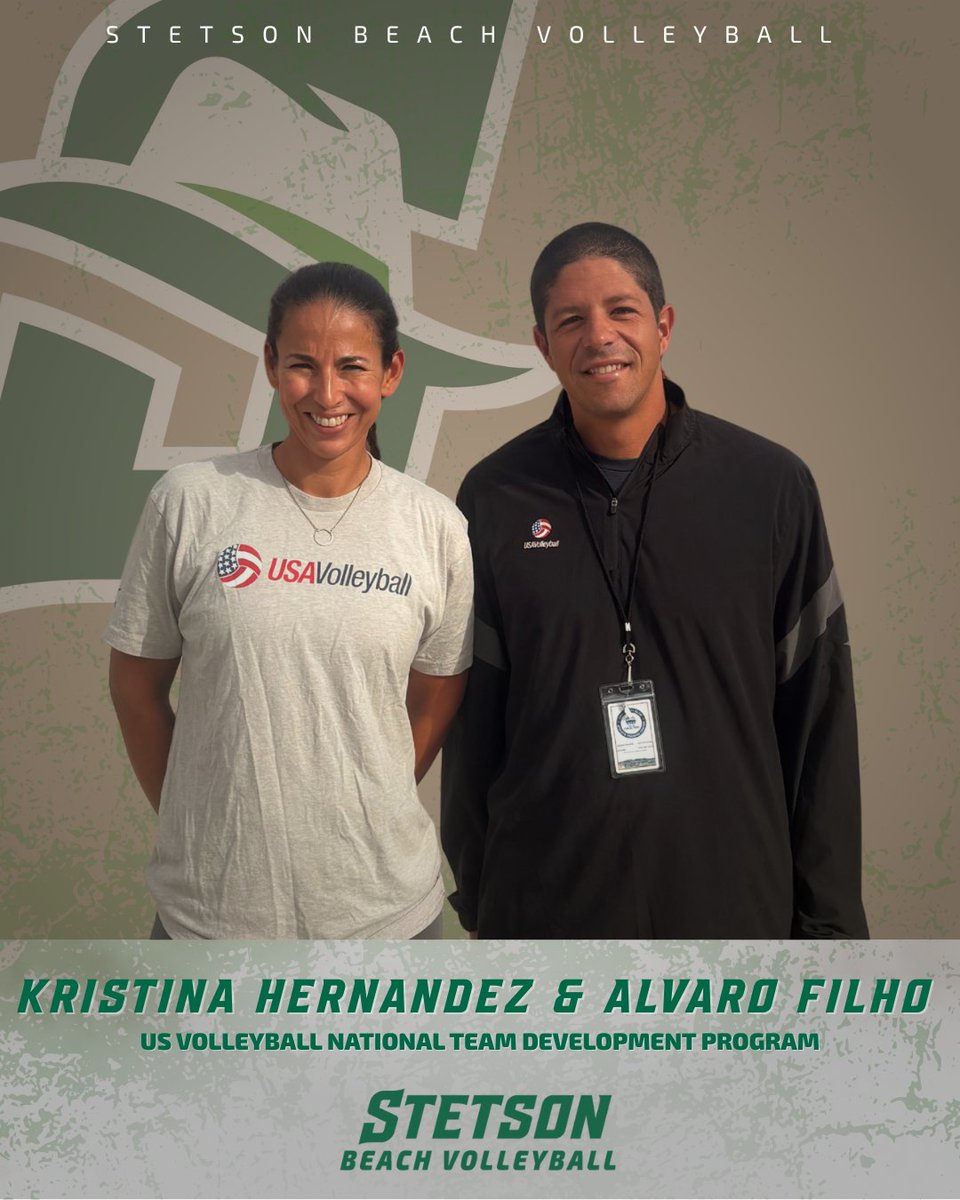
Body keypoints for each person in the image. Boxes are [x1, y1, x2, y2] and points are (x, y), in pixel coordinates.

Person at [441, 222, 868, 939]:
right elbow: (474, 727)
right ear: (544, 346)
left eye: (622, 311)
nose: (599, 336)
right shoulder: (494, 496)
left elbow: (820, 722)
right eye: (570, 320)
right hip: (546, 919)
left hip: (733, 915)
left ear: (663, 326)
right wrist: (484, 903)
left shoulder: (768, 487)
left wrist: (828, 932)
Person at [106, 262, 473, 938]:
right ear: (271, 364)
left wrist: (366, 794)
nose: (328, 392)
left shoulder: (434, 526)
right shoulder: (191, 501)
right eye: (303, 364)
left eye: (354, 367)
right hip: (211, 920)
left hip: (385, 919)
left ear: (391, 374)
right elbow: (135, 687)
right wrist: (204, 815)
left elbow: (438, 689)